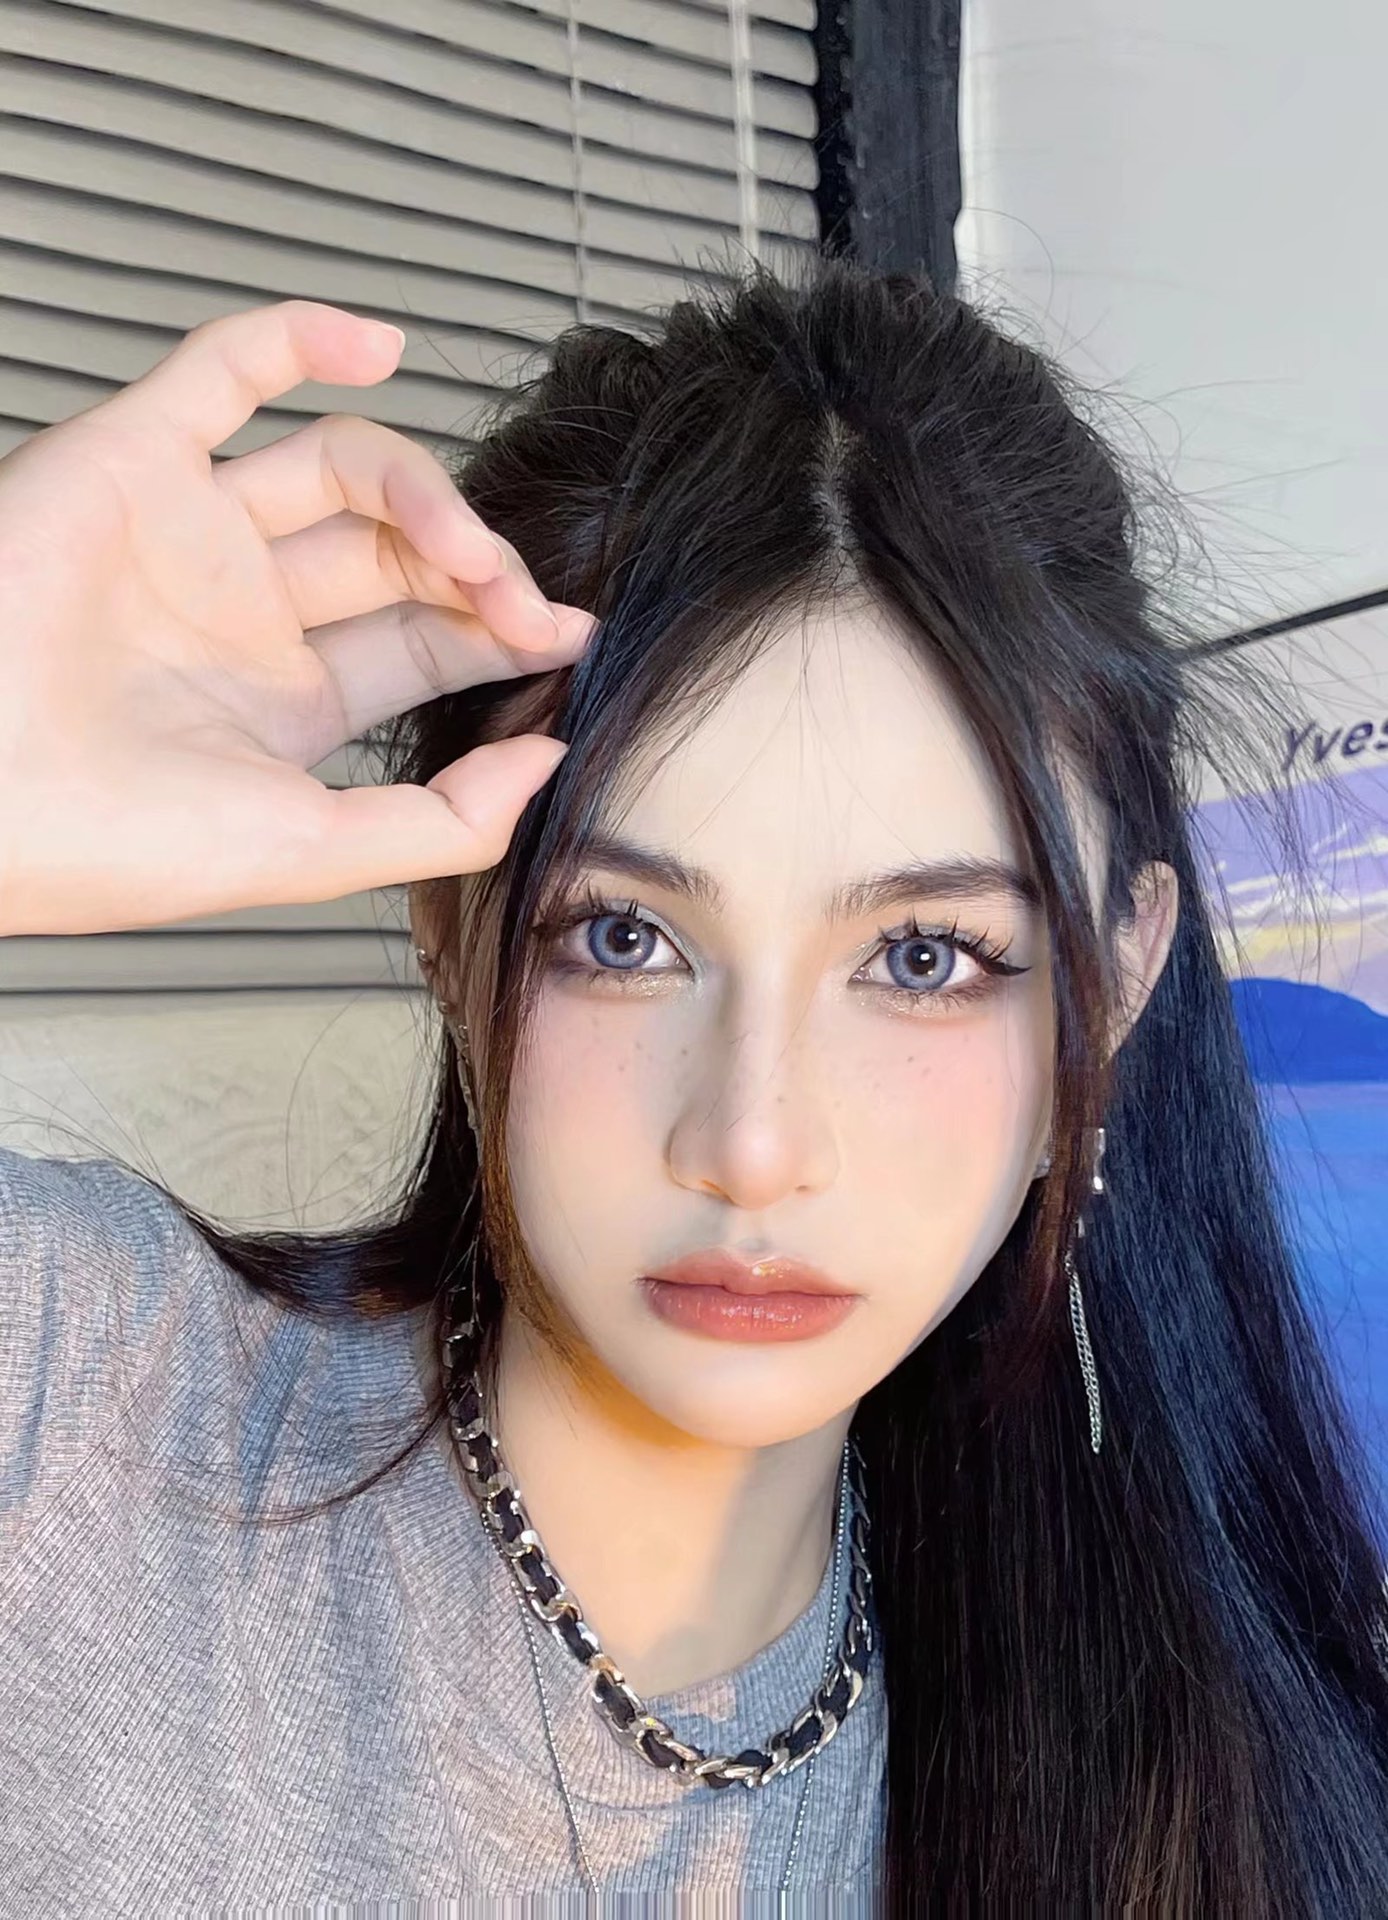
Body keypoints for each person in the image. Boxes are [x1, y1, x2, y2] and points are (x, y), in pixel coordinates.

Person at [1, 256, 1386, 1915]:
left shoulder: (1231, 1786)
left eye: (926, 956)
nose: (753, 1142)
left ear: (1118, 986)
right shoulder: (70, 1416)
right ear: (449, 922)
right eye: (627, 936)